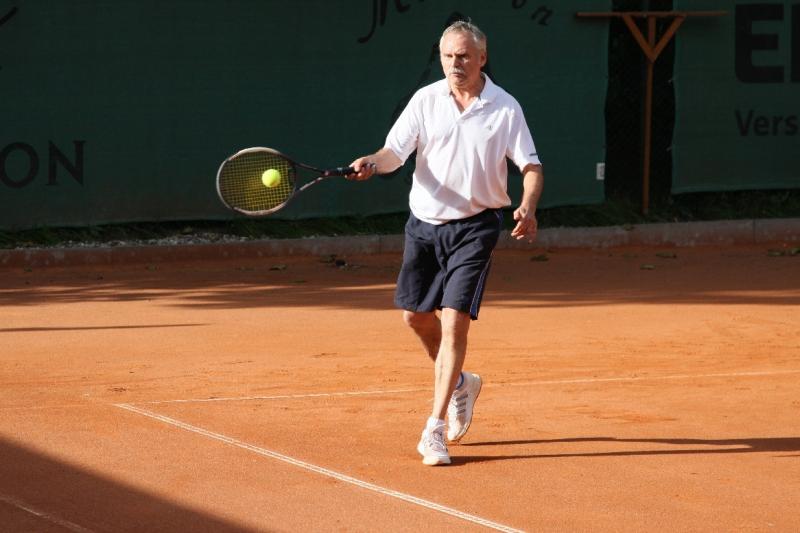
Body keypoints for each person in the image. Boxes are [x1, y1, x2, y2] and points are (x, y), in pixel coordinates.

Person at [347, 20, 544, 466]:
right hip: (424, 225)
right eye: (448, 55)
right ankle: (460, 384)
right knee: (416, 318)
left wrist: (528, 206)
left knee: (454, 321)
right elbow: (393, 154)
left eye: (464, 55)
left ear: (482, 58)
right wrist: (372, 163)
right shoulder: (425, 100)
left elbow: (531, 166)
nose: (456, 63)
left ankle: (433, 430)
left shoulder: (505, 108)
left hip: (476, 227)